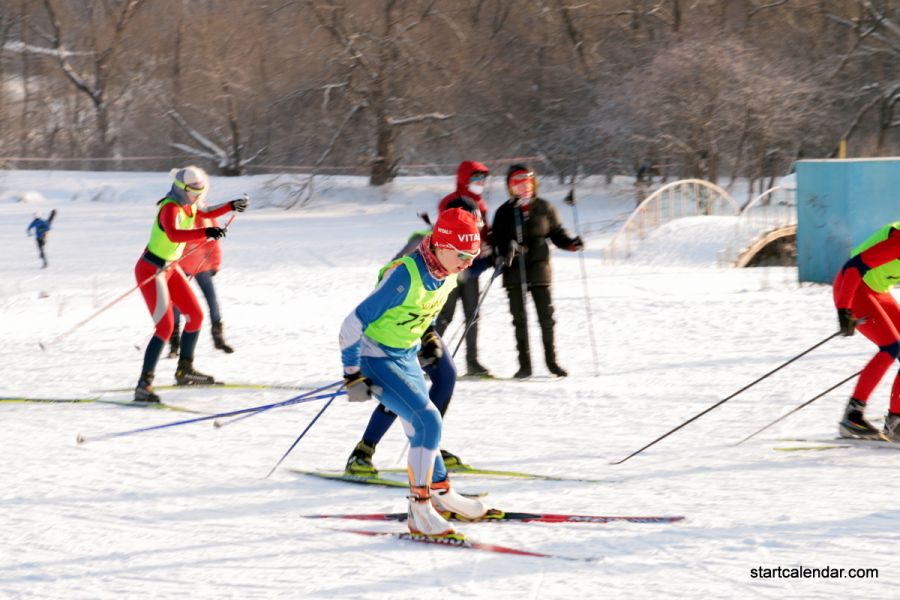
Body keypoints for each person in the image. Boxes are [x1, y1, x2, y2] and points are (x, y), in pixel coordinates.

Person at [339, 208, 489, 536]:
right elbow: (351, 325)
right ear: (442, 246)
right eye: (463, 255)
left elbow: (423, 310)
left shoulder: (447, 272)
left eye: (473, 255)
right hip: (374, 356)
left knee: (418, 424)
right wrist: (352, 375)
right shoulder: (405, 276)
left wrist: (428, 335)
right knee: (428, 420)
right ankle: (420, 509)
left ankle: (442, 493)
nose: (467, 263)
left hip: (405, 355)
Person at [133, 166, 248, 403]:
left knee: (195, 316)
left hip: (170, 268)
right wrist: (206, 232)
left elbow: (205, 211)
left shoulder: (189, 204)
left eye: (200, 190)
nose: (198, 196)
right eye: (194, 191)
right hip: (151, 269)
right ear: (182, 189)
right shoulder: (170, 207)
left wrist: (231, 205)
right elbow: (174, 234)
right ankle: (143, 385)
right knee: (165, 328)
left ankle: (185, 370)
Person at [491, 164, 583, 379]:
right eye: (518, 183)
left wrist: (571, 244)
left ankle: (552, 362)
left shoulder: (545, 208)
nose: (524, 187)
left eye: (527, 182)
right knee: (519, 319)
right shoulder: (504, 212)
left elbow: (557, 233)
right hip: (515, 273)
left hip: (540, 271)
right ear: (510, 187)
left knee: (546, 318)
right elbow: (497, 241)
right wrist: (507, 248)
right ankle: (525, 365)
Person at [833, 221, 900, 441]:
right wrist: (844, 309)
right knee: (891, 347)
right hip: (853, 287)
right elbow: (854, 267)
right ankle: (853, 416)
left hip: (878, 291)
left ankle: (895, 420)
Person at [434, 161, 494, 377]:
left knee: (473, 313)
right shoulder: (451, 201)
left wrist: (491, 248)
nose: (480, 183)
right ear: (464, 178)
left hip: (472, 265)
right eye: (475, 179)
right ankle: (429, 359)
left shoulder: (481, 203)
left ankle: (472, 361)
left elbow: (484, 232)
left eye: (482, 179)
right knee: (445, 314)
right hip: (451, 266)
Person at [168, 212, 236, 358]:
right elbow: (174, 239)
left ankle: (219, 339)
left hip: (202, 266)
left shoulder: (207, 214)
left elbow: (214, 242)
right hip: (182, 266)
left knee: (212, 301)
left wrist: (215, 264)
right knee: (177, 304)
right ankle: (174, 345)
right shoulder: (182, 214)